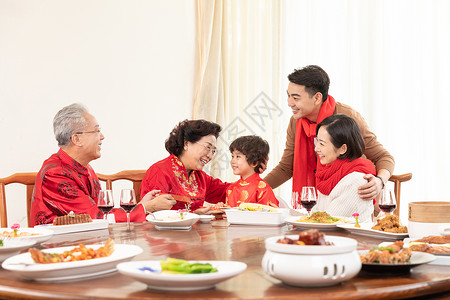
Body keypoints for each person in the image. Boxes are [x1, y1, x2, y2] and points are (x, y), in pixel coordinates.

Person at [30, 103, 175, 226]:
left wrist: (141, 206)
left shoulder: (86, 168)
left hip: (88, 243)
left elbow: (104, 214)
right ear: (77, 139)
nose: (102, 136)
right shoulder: (55, 173)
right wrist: (145, 208)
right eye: (97, 130)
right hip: (59, 251)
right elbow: (94, 218)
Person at [264, 65, 394, 200]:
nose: (289, 103)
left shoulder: (347, 117)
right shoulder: (296, 122)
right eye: (288, 96)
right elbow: (286, 167)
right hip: (319, 201)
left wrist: (380, 181)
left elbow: (383, 157)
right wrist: (256, 189)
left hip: (356, 198)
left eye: (296, 98)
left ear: (317, 98)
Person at [140, 119, 229, 214]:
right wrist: (195, 214)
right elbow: (156, 215)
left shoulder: (199, 176)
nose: (210, 156)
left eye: (213, 151)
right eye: (208, 147)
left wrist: (245, 172)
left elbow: (227, 192)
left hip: (194, 228)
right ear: (186, 144)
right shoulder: (159, 171)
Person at [312, 114, 376, 222]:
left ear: (343, 149)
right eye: (317, 141)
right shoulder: (328, 173)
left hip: (352, 238)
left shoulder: (357, 180)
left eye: (322, 144)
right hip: (331, 236)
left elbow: (328, 221)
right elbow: (315, 215)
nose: (316, 149)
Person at [225, 135, 279, 207]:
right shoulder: (231, 188)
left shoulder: (262, 188)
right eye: (232, 156)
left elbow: (269, 214)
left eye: (238, 156)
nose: (233, 161)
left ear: (254, 163)